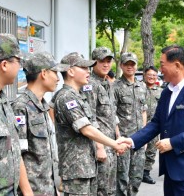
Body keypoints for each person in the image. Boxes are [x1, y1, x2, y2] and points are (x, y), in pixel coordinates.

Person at [118, 44, 184, 196]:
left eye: (162, 64)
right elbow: (157, 123)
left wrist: (172, 142)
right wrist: (131, 141)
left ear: (177, 65)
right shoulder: (167, 92)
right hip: (171, 169)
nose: (160, 69)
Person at [53, 52, 129, 196]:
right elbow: (87, 130)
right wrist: (114, 144)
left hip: (86, 165)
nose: (88, 71)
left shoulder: (78, 96)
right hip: (76, 168)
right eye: (83, 68)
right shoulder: (66, 97)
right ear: (70, 71)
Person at [11, 51, 69, 195]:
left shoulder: (43, 106)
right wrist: (27, 191)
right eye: (55, 72)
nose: (58, 79)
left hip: (48, 188)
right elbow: (17, 155)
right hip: (33, 190)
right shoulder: (21, 107)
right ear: (44, 73)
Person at [0, 34, 31, 195]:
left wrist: (27, 192)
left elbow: (14, 149)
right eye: (18, 61)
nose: (20, 67)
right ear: (4, 64)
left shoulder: (3, 100)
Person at [86, 47, 120, 195]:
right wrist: (99, 147)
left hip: (111, 143)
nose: (106, 65)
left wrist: (118, 136)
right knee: (101, 188)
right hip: (101, 145)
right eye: (102, 62)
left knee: (111, 188)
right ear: (94, 63)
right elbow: (90, 118)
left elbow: (112, 114)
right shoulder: (90, 85)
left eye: (108, 61)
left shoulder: (108, 84)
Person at [113, 52, 147, 196]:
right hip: (124, 140)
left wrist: (144, 136)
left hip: (139, 139)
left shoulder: (142, 86)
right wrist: (118, 137)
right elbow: (112, 114)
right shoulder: (115, 86)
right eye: (126, 64)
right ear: (121, 66)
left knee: (137, 176)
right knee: (122, 177)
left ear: (136, 66)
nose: (129, 67)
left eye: (132, 64)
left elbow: (144, 110)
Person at [142, 66, 163, 184]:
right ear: (145, 75)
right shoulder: (139, 88)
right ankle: (135, 173)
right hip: (139, 124)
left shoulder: (160, 91)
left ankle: (146, 172)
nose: (151, 77)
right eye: (149, 75)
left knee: (151, 150)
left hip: (154, 126)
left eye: (154, 75)